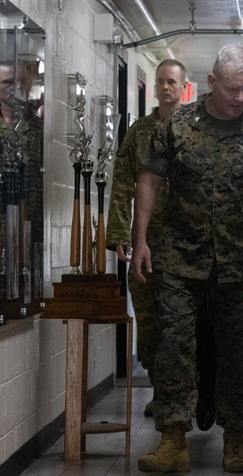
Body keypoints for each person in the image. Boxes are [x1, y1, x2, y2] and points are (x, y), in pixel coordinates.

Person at [131, 44, 243, 474]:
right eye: (233, 90)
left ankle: (237, 438)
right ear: (212, 83)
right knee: (175, 346)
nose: (241, 98)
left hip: (240, 265)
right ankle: (173, 439)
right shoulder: (177, 127)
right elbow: (148, 181)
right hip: (180, 259)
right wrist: (140, 240)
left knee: (236, 350)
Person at [104, 59, 187, 418]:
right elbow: (123, 182)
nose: (165, 87)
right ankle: (160, 387)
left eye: (171, 82)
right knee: (150, 322)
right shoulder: (139, 132)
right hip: (146, 242)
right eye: (160, 82)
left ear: (183, 86)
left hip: (187, 243)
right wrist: (120, 232)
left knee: (182, 324)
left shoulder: (193, 128)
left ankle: (184, 392)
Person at [0, 61, 43, 285]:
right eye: (7, 82)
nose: (15, 87)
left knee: (26, 293)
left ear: (29, 85)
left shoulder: (40, 131)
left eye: (21, 81)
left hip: (29, 231)